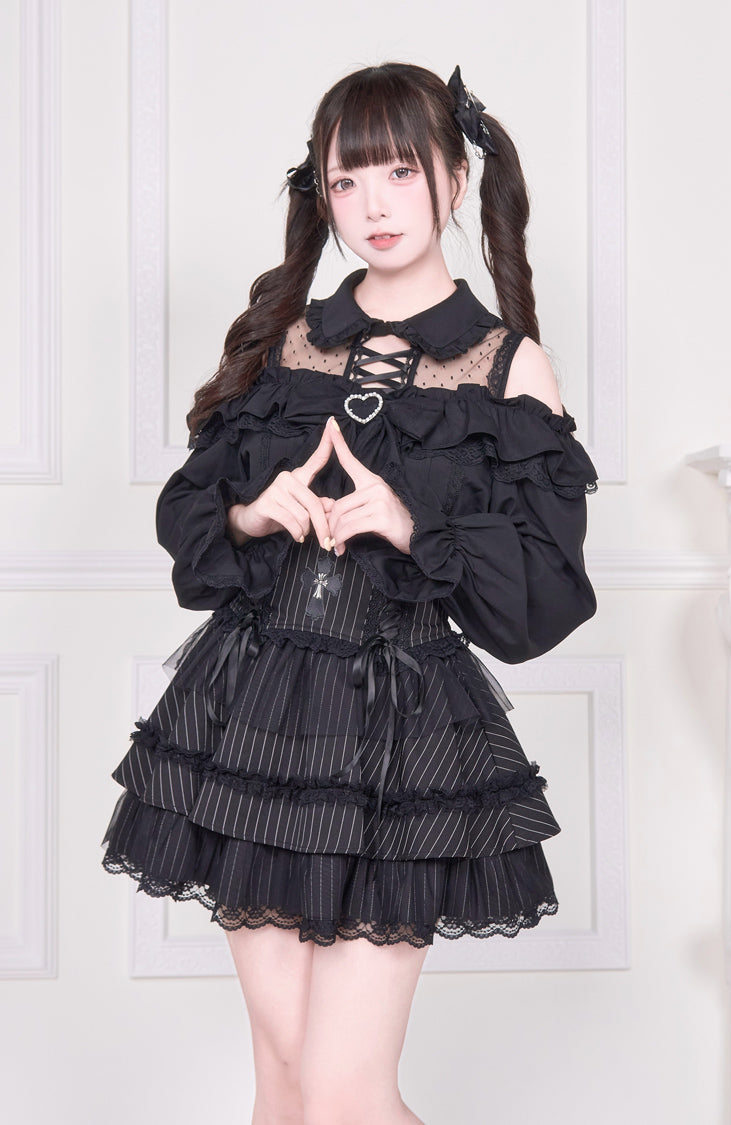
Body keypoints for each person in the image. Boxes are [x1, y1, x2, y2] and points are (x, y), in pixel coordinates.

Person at [101, 61, 598, 1125]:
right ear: (321, 193)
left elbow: (546, 594)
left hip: (398, 742)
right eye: (346, 180)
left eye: (400, 173)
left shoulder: (509, 369)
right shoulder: (286, 340)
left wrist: (413, 525)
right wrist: (256, 511)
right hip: (251, 720)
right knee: (284, 1084)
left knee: (342, 1094)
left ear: (455, 179)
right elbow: (194, 514)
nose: (373, 205)